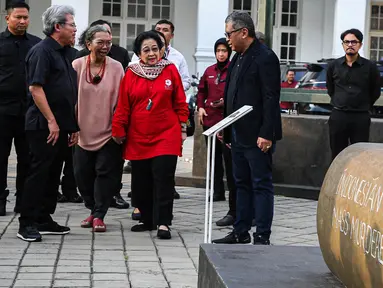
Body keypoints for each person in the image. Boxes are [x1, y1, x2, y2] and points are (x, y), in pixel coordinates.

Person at [212, 11, 282, 245]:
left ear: (244, 32)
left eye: (229, 34)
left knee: (260, 184)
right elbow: (231, 95)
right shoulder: (237, 57)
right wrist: (226, 126)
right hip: (238, 133)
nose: (227, 39)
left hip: (258, 135)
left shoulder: (264, 57)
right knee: (240, 184)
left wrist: (266, 133)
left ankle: (262, 235)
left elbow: (271, 98)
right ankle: (240, 231)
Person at [112, 31, 189, 239]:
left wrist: (182, 127)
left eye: (155, 49)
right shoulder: (131, 73)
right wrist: (118, 130)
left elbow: (180, 102)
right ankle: (147, 219)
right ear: (138, 53)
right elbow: (123, 106)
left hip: (166, 134)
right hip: (138, 136)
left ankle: (163, 222)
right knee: (141, 179)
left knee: (163, 178)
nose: (152, 53)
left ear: (162, 50)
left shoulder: (170, 70)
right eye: (146, 50)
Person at [17, 5, 79, 242]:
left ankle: (44, 218)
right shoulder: (41, 51)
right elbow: (36, 88)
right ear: (57, 26)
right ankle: (27, 223)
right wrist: (52, 121)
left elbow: (67, 92)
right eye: (72, 24)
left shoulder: (64, 52)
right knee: (38, 173)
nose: (75, 29)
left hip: (62, 126)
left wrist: (72, 127)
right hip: (43, 126)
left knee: (53, 174)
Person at [130, 20, 190, 200]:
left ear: (171, 35)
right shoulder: (135, 65)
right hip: (142, 124)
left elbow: (184, 84)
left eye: (165, 30)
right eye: (158, 29)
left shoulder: (175, 61)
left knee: (164, 164)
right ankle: (141, 203)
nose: (151, 53)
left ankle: (164, 200)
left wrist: (182, 126)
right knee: (142, 169)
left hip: (167, 120)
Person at [73, 25, 124, 232]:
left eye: (109, 43)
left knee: (104, 173)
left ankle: (99, 215)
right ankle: (92, 209)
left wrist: (119, 129)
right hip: (81, 132)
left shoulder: (117, 67)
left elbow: (122, 100)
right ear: (88, 44)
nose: (105, 46)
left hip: (109, 132)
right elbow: (68, 97)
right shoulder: (76, 65)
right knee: (82, 175)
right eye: (100, 42)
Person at [0, 1, 40, 216]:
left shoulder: (36, 44)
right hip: (2, 111)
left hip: (29, 111)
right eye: (18, 17)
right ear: (7, 18)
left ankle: (23, 201)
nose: (23, 21)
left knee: (27, 158)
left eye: (25, 17)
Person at [197, 38, 236, 226]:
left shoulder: (233, 69)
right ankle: (217, 191)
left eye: (224, 50)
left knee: (229, 160)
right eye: (218, 51)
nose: (221, 54)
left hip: (227, 121)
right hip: (210, 120)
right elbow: (201, 91)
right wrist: (200, 107)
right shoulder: (209, 71)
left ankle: (231, 193)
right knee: (213, 159)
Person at [327, 29, 381, 160]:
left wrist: (364, 104)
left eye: (354, 42)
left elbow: (375, 91)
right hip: (339, 116)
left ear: (360, 44)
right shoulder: (334, 66)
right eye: (347, 42)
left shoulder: (370, 67)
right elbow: (330, 89)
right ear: (343, 44)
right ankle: (337, 180)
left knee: (360, 156)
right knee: (337, 154)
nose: (350, 45)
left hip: (360, 117)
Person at [57, 38, 83, 204]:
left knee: (72, 157)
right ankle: (53, 190)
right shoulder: (48, 53)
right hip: (57, 111)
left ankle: (70, 189)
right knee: (56, 155)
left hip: (75, 110)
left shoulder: (76, 56)